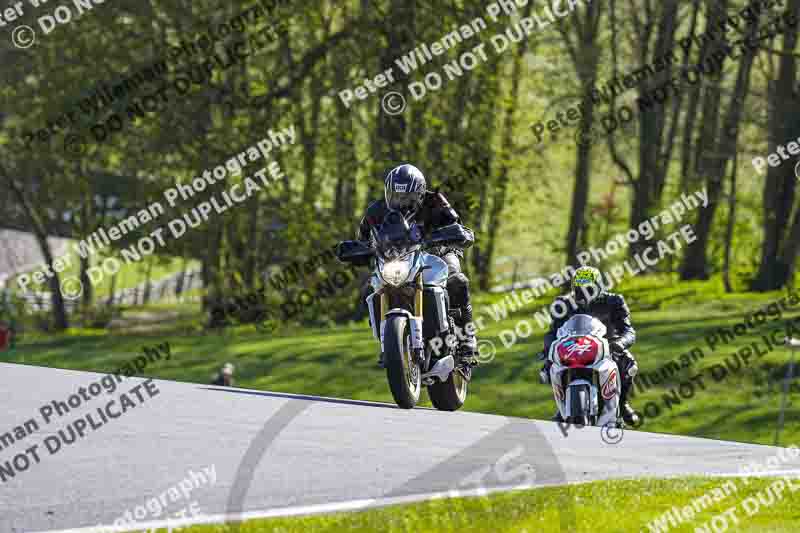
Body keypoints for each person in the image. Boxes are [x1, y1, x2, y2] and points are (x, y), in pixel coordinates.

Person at [356, 163, 479, 368]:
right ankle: (390, 343)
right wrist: (357, 250)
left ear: (420, 195)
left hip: (437, 253)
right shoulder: (375, 211)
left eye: (406, 198)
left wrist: (454, 234)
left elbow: (457, 225)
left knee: (456, 279)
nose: (399, 201)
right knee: (370, 289)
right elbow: (362, 238)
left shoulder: (435, 201)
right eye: (395, 196)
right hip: (396, 259)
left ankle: (467, 338)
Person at [541, 266, 640, 425]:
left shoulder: (614, 301)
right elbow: (552, 331)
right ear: (574, 289)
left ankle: (622, 404)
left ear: (599, 286)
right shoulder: (563, 303)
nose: (585, 293)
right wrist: (548, 347)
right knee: (548, 366)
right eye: (580, 290)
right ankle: (563, 407)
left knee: (629, 365)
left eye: (589, 288)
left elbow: (628, 330)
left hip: (607, 346)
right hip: (572, 346)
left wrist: (620, 343)